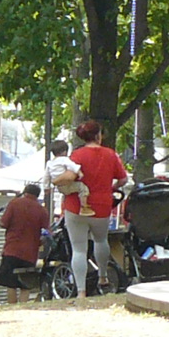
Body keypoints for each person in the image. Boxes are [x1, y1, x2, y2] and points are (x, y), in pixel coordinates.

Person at [64, 118, 130, 294]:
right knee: (101, 240)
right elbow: (123, 179)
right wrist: (111, 188)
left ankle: (81, 290)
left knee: (78, 249)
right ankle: (102, 276)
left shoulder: (76, 155)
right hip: (102, 205)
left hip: (76, 206)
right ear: (98, 135)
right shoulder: (110, 154)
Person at [0, 183, 52, 301]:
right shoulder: (42, 211)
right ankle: (23, 307)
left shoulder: (14, 203)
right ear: (37, 195)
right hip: (30, 254)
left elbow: (3, 223)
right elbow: (46, 233)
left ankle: (12, 308)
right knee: (25, 285)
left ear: (25, 192)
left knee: (10, 284)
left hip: (11, 250)